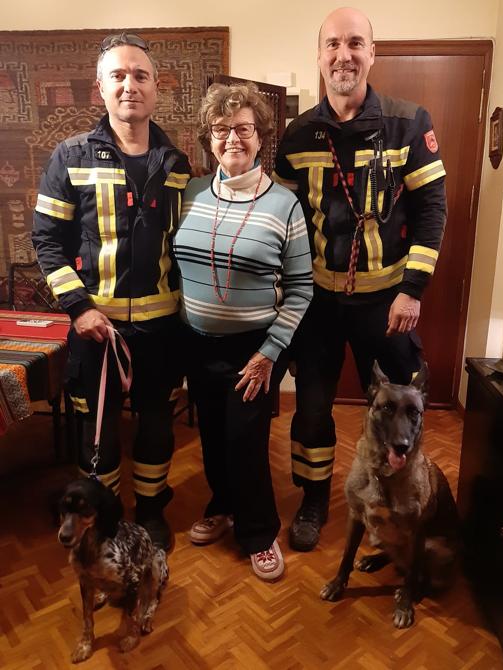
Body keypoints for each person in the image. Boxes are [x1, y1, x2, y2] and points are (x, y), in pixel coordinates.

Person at [273, 7, 447, 552]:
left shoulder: (409, 121)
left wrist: (412, 290)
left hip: (388, 306)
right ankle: (314, 500)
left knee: (404, 411)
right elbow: (282, 215)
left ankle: (398, 500)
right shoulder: (297, 134)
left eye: (355, 43)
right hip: (320, 303)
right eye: (332, 44)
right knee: (312, 409)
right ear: (320, 56)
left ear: (372, 53)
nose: (343, 54)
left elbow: (432, 209)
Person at [32, 32, 191, 550]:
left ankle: (149, 513)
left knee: (155, 425)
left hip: (162, 328)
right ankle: (104, 518)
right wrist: (78, 309)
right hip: (95, 329)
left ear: (155, 88)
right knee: (96, 433)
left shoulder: (178, 163)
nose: (130, 85)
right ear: (100, 88)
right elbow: (46, 241)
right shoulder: (69, 156)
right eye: (118, 76)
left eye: (140, 76)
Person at [174, 82, 313, 580]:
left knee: (246, 438)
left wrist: (271, 352)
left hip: (253, 349)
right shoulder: (190, 194)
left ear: (260, 138)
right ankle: (223, 503)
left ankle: (258, 530)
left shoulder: (285, 205)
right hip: (196, 341)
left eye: (243, 129)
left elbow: (301, 289)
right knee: (211, 434)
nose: (232, 138)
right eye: (221, 129)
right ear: (209, 138)